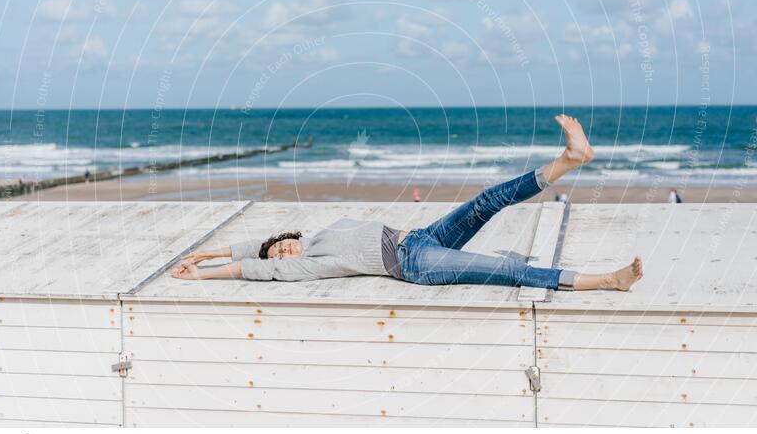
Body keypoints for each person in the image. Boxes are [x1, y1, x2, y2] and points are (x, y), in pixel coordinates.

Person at [172, 115, 644, 292]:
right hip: (413, 262)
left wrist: (206, 251)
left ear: (289, 238)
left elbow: (252, 246)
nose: (281, 255)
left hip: (419, 237)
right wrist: (204, 275)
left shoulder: (314, 235)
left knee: (486, 200)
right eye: (279, 259)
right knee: (506, 272)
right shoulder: (307, 263)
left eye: (281, 248)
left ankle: (570, 159)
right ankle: (609, 280)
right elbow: (254, 266)